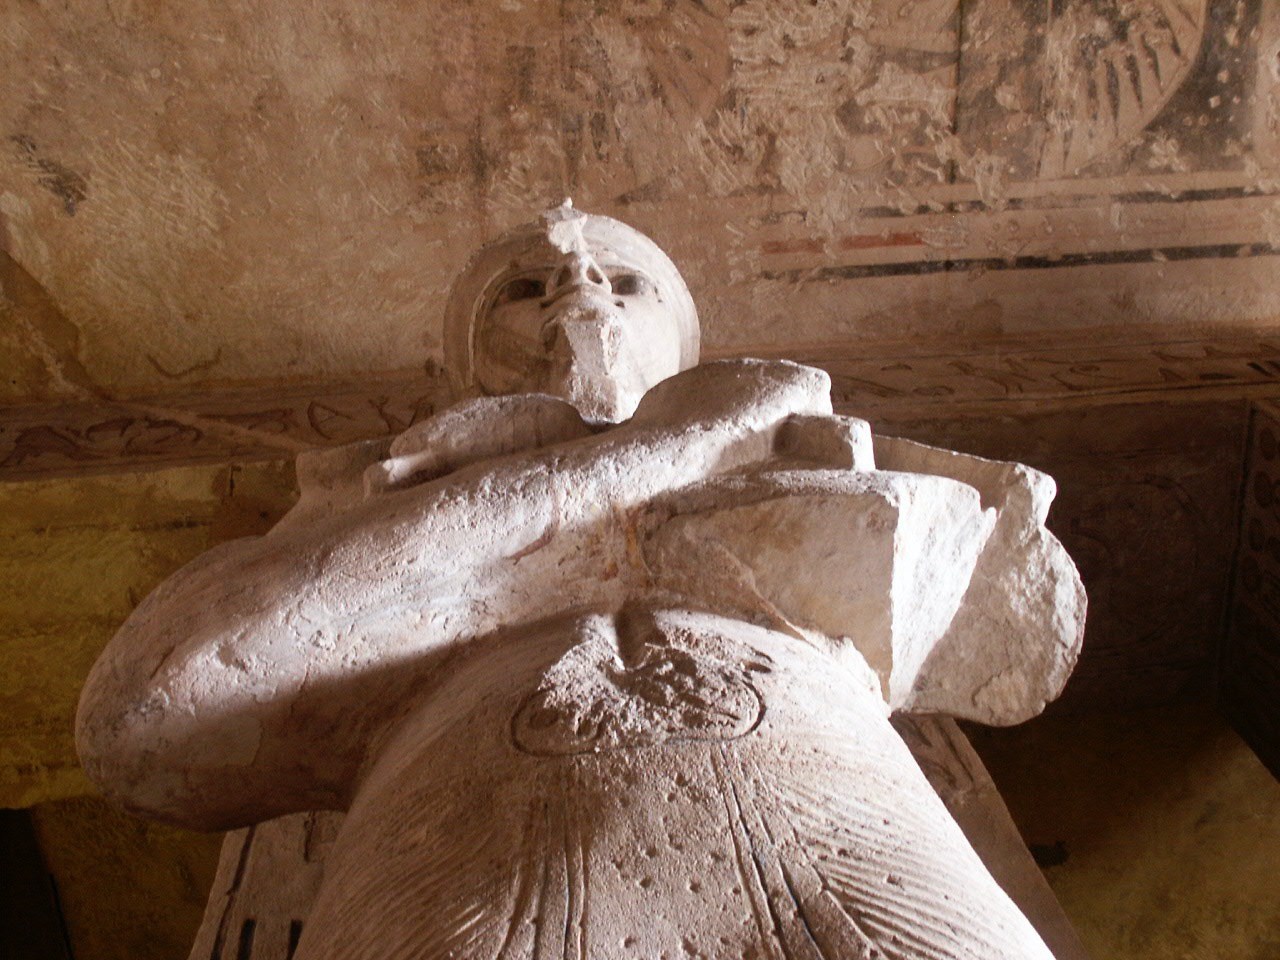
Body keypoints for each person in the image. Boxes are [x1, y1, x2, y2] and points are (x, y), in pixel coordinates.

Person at [78, 202, 1084, 960]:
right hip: (464, 852)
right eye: (526, 286)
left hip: (848, 826)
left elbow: (1021, 638)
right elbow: (143, 712)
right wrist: (674, 449)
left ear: (682, 342)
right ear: (468, 363)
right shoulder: (367, 491)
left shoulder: (819, 442)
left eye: (622, 276)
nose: (579, 284)